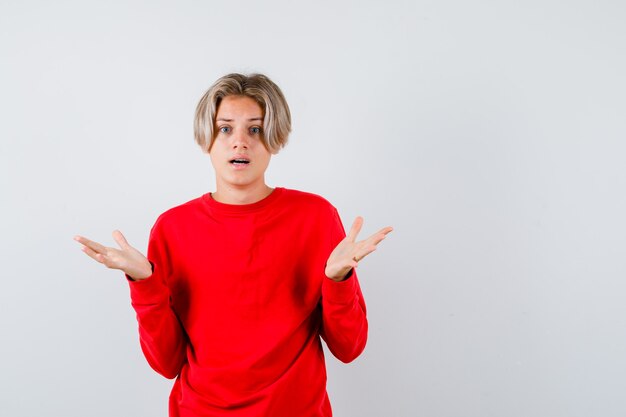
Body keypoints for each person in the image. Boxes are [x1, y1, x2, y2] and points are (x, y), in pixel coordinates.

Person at [74, 73, 393, 417]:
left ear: (274, 138)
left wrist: (338, 280)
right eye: (225, 129)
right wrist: (144, 283)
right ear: (207, 138)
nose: (239, 142)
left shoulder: (315, 217)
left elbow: (349, 348)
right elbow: (166, 364)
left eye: (254, 129)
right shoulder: (172, 229)